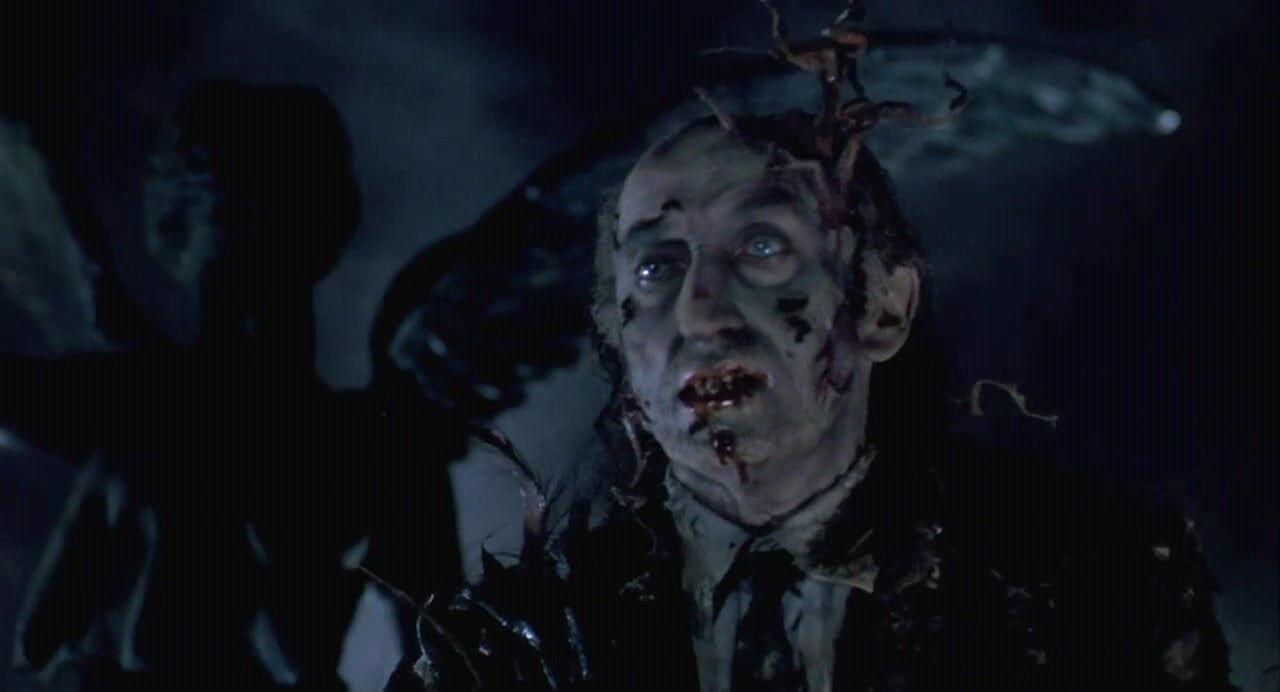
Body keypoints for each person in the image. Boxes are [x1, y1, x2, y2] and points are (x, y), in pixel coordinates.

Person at [404, 8, 1237, 691]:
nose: (699, 312)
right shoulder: (502, 649)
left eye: (762, 247)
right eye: (655, 267)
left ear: (882, 306)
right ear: (619, 339)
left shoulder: (1093, 577)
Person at [6, 80, 467, 690]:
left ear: (318, 236)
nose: (254, 255)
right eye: (229, 217)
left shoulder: (380, 443)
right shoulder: (135, 400)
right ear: (179, 234)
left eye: (280, 219)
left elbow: (453, 651)